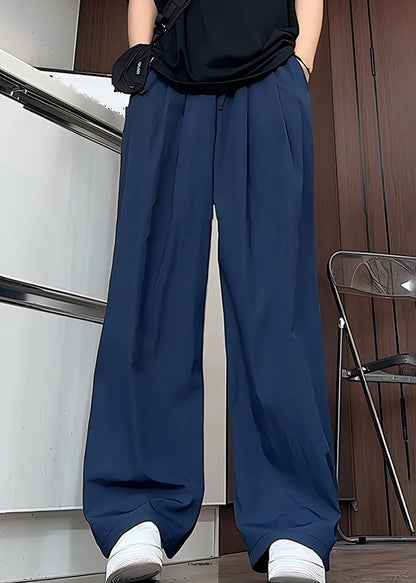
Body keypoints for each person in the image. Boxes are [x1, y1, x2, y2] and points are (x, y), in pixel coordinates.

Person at [82, 1, 342, 582]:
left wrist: (300, 64)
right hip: (168, 81)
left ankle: (292, 520)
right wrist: (141, 55)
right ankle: (136, 511)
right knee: (149, 290)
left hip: (269, 76)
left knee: (276, 300)